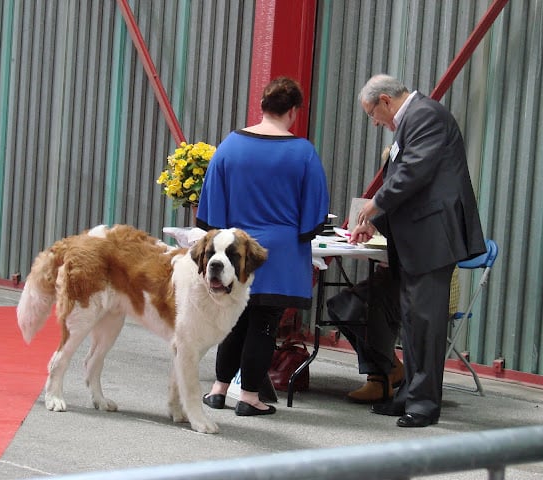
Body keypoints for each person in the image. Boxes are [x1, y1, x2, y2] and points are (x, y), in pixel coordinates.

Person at [349, 74, 485, 427]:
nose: (376, 123)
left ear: (384, 100)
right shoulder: (412, 120)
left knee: (425, 323)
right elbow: (407, 180)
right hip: (418, 238)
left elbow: (413, 172)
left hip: (433, 238)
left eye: (372, 115)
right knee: (412, 323)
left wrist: (374, 206)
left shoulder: (425, 115)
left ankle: (424, 405)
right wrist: (376, 224)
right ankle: (409, 394)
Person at [197, 76, 330, 416]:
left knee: (236, 320)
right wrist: (298, 233)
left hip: (235, 251)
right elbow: (315, 214)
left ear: (262, 106)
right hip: (279, 253)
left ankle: (218, 390)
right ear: (293, 112)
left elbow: (210, 209)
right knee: (265, 324)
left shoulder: (230, 146)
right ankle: (250, 397)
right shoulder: (303, 152)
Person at [326, 264, 404, 403]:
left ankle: (380, 379)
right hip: (390, 274)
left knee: (361, 306)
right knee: (339, 305)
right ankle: (391, 366)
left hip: (420, 279)